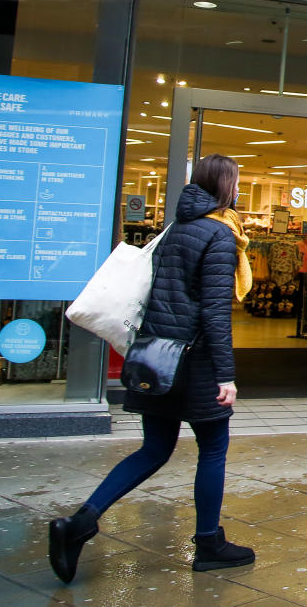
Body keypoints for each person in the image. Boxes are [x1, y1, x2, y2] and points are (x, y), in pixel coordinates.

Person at [47, 154, 255, 583]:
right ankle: (209, 544)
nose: (237, 189)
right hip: (194, 363)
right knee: (213, 448)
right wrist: (226, 375)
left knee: (154, 450)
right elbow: (215, 311)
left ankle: (79, 524)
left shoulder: (175, 229)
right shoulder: (219, 235)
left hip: (157, 357)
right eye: (235, 182)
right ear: (223, 187)